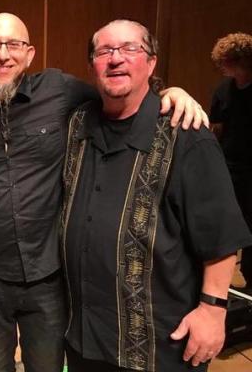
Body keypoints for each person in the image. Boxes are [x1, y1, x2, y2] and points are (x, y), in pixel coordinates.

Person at [0, 13, 207, 372]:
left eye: (14, 45)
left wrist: (169, 92)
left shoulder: (59, 90)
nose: (3, 54)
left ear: (30, 53)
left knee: (48, 366)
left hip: (47, 275)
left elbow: (118, 90)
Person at [60, 19, 252, 372]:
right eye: (105, 51)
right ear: (92, 65)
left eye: (130, 49)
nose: (116, 59)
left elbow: (221, 236)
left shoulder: (187, 135)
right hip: (85, 337)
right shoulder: (77, 126)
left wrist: (213, 310)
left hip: (159, 346)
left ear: (151, 62)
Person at [210, 32, 252, 291]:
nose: (221, 68)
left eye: (225, 62)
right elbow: (218, 128)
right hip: (230, 164)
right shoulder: (223, 90)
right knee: (225, 220)